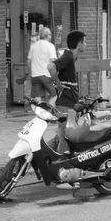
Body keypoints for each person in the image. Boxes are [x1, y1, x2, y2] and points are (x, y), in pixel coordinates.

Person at [49, 30, 87, 190]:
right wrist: (57, 84)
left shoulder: (71, 57)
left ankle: (60, 167)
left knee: (64, 136)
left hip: (69, 103)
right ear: (79, 44)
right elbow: (51, 67)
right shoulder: (68, 56)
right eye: (84, 41)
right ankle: (62, 173)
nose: (85, 44)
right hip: (65, 104)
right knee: (65, 137)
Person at [27, 27, 58, 106]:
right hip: (46, 75)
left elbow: (29, 61)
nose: (51, 36)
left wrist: (31, 72)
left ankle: (39, 116)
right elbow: (52, 62)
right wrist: (55, 76)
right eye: (50, 34)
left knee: (37, 99)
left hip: (35, 76)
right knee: (54, 95)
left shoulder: (33, 46)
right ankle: (49, 113)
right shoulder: (50, 46)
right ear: (48, 35)